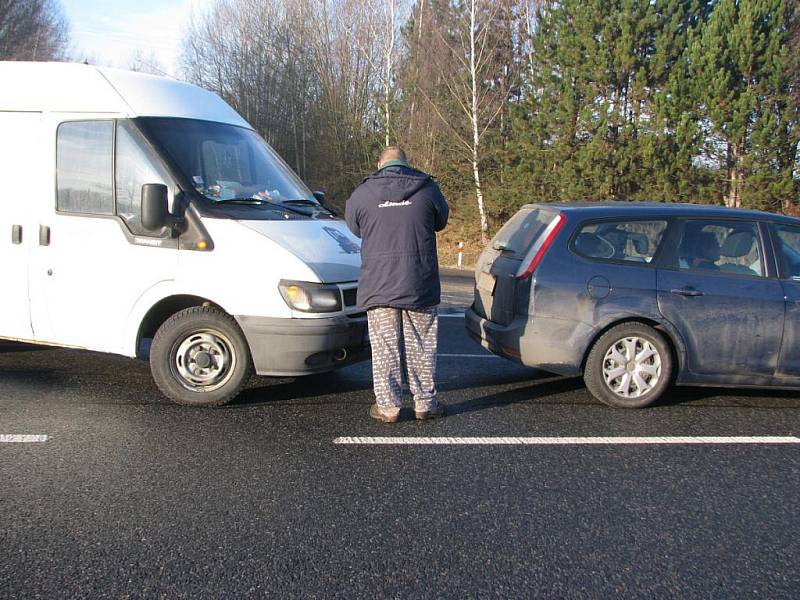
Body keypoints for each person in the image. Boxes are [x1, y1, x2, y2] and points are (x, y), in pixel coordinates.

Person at [345, 147, 449, 423]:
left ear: (380, 164)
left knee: (385, 348)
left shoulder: (362, 194)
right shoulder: (427, 188)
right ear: (406, 163)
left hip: (379, 283)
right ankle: (425, 404)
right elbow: (442, 221)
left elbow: (354, 227)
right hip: (420, 282)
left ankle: (389, 407)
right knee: (422, 345)